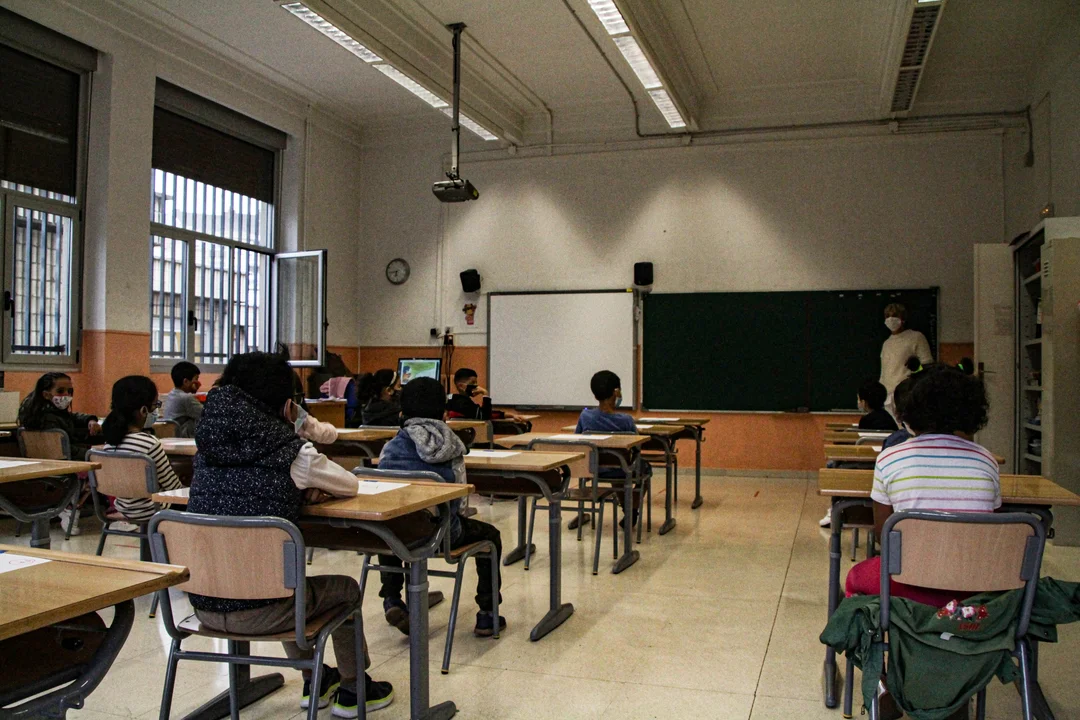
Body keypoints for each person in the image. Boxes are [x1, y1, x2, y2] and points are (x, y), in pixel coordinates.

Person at [186, 351, 393, 716]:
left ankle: (316, 678)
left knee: (275, 580)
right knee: (341, 589)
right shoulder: (292, 453)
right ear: (286, 405)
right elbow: (349, 485)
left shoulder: (206, 448)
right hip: (263, 609)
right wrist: (309, 484)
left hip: (204, 603)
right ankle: (354, 688)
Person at [844, 365, 999, 606]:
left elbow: (883, 536)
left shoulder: (889, 459)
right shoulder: (986, 460)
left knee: (855, 577)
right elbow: (991, 527)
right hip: (973, 586)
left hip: (908, 583)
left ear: (908, 411)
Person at [376, 377, 505, 638]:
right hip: (441, 534)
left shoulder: (390, 447)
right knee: (491, 536)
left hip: (398, 533)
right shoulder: (451, 446)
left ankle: (392, 598)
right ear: (444, 413)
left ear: (401, 413)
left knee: (390, 527)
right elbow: (459, 501)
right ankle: (487, 614)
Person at [18, 372, 102, 535]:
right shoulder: (49, 418)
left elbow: (73, 417)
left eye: (69, 391)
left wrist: (90, 419)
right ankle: (71, 506)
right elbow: (66, 449)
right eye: (61, 391)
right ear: (46, 394)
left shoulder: (38, 412)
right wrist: (93, 452)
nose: (66, 395)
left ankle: (68, 505)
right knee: (105, 464)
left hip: (40, 464)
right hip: (64, 462)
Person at [100, 376, 184, 527]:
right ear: (143, 410)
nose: (156, 410)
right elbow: (173, 488)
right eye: (156, 405)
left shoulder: (109, 444)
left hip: (123, 508)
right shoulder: (149, 443)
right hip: (154, 510)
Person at [573, 370, 650, 529]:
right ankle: (632, 509)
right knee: (643, 469)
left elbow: (577, 441)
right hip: (622, 469)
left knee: (619, 469)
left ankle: (628, 509)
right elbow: (637, 446)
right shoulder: (626, 420)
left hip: (593, 469)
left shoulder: (585, 416)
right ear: (616, 392)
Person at [880, 303, 933, 415]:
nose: (891, 319)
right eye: (887, 316)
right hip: (888, 396)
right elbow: (884, 372)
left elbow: (927, 365)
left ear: (903, 318)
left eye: (894, 315)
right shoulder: (887, 343)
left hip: (907, 394)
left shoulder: (916, 337)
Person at [446, 368, 524, 422]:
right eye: (472, 383)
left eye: (476, 382)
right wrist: (485, 394)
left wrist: (511, 415)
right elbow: (485, 416)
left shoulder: (453, 399)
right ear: (461, 386)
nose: (476, 386)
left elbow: (484, 412)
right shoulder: (462, 403)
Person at [162, 361, 204, 437]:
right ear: (186, 382)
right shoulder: (186, 398)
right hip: (182, 436)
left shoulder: (172, 393)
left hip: (171, 434)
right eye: (196, 379)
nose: (198, 383)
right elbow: (206, 413)